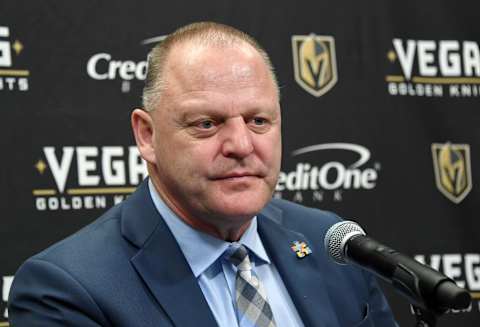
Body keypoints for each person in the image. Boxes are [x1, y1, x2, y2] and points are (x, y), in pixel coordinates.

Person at [8, 22, 398, 327]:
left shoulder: (332, 243)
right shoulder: (66, 288)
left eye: (258, 120)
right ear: (147, 136)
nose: (241, 145)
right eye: (207, 124)